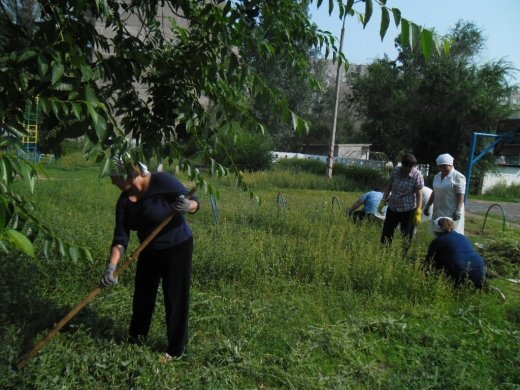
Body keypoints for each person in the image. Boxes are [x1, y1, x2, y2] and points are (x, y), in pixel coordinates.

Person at [100, 158, 200, 360]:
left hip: (177, 247)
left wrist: (188, 205)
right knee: (143, 296)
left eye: (114, 177)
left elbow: (196, 201)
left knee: (175, 297)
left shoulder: (161, 181)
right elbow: (121, 238)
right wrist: (112, 267)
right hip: (148, 249)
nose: (113, 182)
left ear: (128, 174)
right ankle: (136, 338)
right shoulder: (124, 201)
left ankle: (176, 350)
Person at [426, 217, 486, 288]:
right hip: (480, 271)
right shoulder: (463, 237)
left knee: (438, 260)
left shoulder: (437, 242)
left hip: (461, 274)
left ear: (437, 230)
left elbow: (428, 262)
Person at [379, 153, 424, 244]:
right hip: (393, 207)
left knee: (407, 234)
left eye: (411, 167)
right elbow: (389, 186)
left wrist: (418, 211)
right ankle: (384, 251)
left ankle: (404, 253)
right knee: (387, 232)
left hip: (408, 209)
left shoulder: (417, 175)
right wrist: (383, 200)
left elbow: (419, 195)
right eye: (406, 167)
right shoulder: (396, 171)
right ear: (402, 165)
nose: (408, 169)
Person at [424, 153, 466, 235]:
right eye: (440, 166)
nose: (442, 168)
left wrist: (457, 210)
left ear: (451, 164)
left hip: (451, 210)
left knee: (450, 232)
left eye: (444, 166)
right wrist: (428, 205)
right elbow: (434, 191)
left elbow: (460, 194)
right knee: (438, 230)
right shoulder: (437, 176)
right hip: (439, 209)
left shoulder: (458, 176)